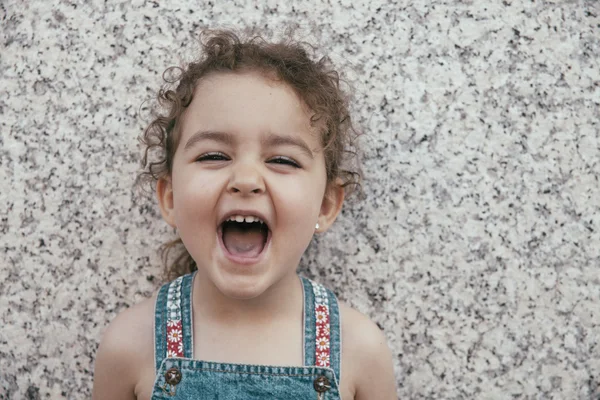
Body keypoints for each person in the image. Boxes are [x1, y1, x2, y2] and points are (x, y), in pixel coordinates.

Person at [92, 29, 397, 400]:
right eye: (214, 155)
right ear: (170, 197)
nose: (247, 180)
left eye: (283, 160)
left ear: (326, 205)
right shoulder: (129, 345)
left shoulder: (360, 351)